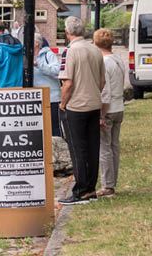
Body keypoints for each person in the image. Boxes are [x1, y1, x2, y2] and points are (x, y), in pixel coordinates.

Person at [57, 16, 105, 206]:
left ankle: (81, 190)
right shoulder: (95, 49)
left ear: (67, 32)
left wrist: (62, 104)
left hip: (76, 106)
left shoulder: (70, 52)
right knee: (93, 147)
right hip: (94, 104)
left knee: (77, 149)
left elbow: (67, 83)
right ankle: (91, 187)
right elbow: (102, 81)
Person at [94, 28, 125, 198]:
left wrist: (101, 115)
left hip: (109, 108)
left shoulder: (104, 62)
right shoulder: (118, 60)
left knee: (105, 147)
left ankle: (107, 185)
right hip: (119, 106)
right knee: (114, 145)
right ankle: (112, 181)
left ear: (96, 43)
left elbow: (105, 91)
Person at [32, 33, 62, 137]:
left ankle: (58, 151)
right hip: (36, 98)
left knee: (54, 128)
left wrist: (39, 65)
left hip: (52, 98)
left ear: (36, 43)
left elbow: (57, 70)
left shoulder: (48, 55)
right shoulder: (26, 56)